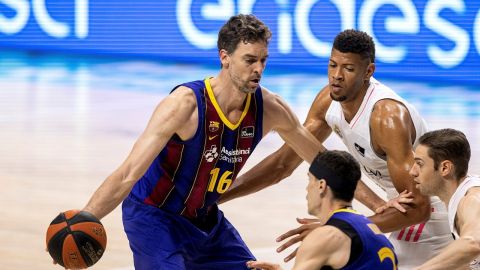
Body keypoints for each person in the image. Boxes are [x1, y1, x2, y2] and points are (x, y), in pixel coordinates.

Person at [77, 14, 324, 270]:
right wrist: (86, 217)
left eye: (263, 60)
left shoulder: (269, 107)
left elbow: (324, 162)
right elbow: (128, 173)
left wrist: (357, 212)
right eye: (250, 60)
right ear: (224, 57)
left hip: (204, 219)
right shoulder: (185, 105)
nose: (259, 69)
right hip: (155, 217)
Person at [220, 29, 452, 269]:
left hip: (432, 211)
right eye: (332, 65)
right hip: (397, 205)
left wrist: (342, 228)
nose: (337, 76)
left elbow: (419, 208)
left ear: (368, 72)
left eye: (348, 69)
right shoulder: (329, 101)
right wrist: (216, 197)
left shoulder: (386, 117)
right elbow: (283, 164)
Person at [247, 150, 398, 270]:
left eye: (309, 180)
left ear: (321, 185)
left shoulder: (325, 236)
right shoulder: (371, 229)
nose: (307, 188)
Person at [408, 128, 480, 269]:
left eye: (420, 164)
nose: (412, 171)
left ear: (445, 168)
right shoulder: (458, 198)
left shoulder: (472, 199)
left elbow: (473, 243)